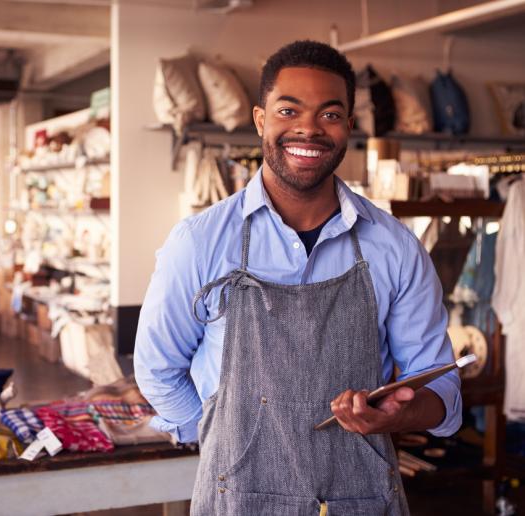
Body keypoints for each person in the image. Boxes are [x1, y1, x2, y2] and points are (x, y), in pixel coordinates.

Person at [134, 40, 461, 515]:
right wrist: (221, 438)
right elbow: (158, 368)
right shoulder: (200, 242)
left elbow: (443, 392)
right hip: (238, 500)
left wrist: (401, 413)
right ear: (261, 119)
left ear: (349, 127)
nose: (308, 128)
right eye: (289, 110)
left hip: (362, 498)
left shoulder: (394, 248)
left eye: (330, 114)